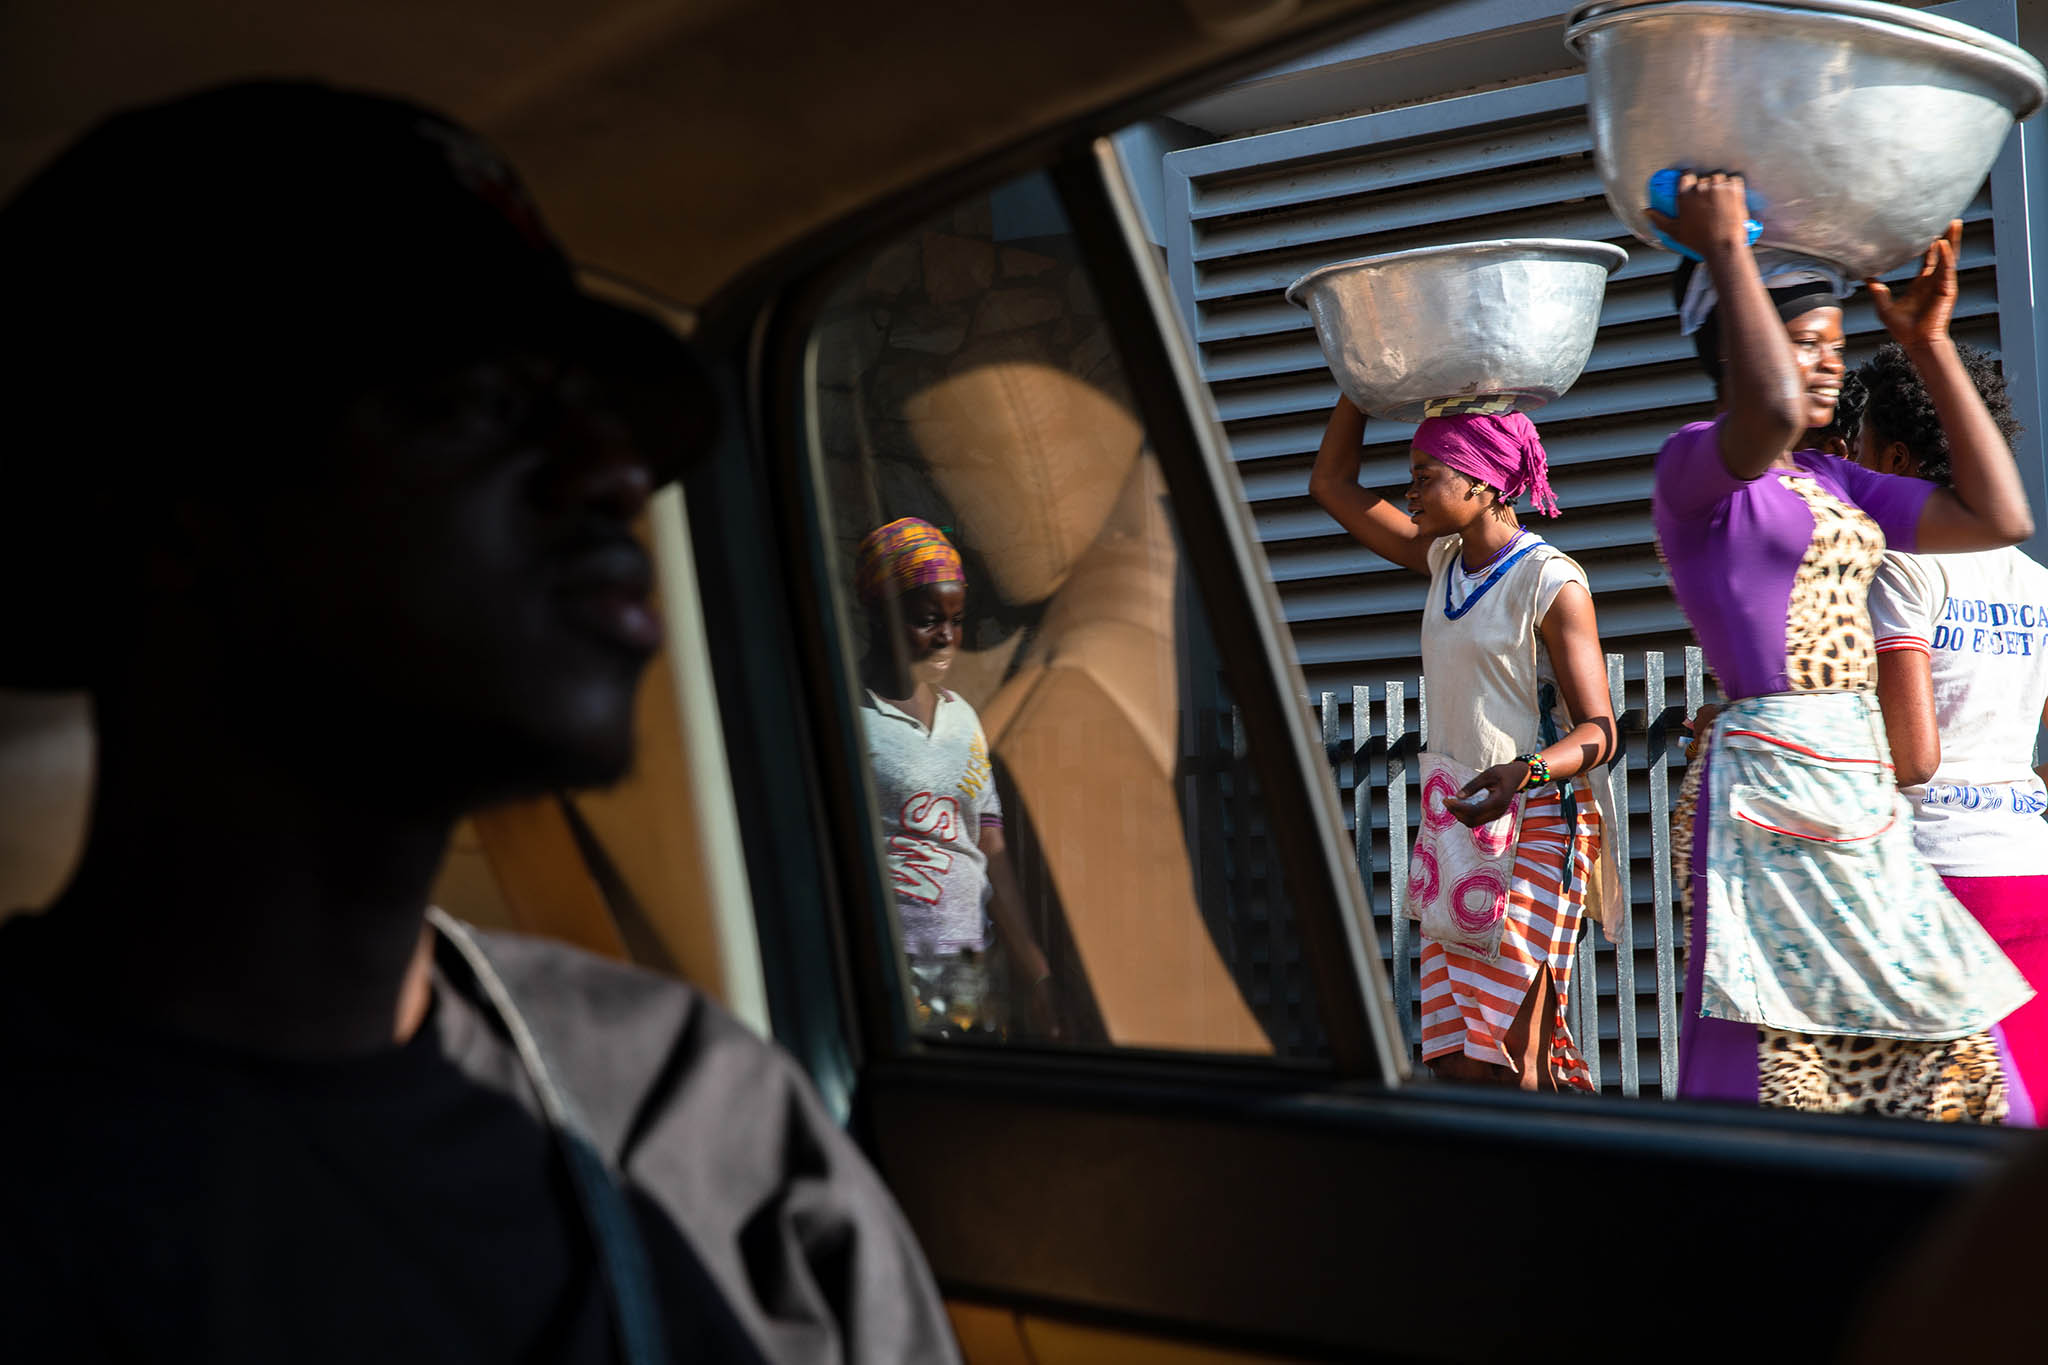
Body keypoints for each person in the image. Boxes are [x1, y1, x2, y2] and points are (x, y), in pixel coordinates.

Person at [0, 82, 959, 1362]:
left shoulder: (711, 1125)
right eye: (473, 404)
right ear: (171, 497)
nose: (617, 476)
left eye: (598, 416)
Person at [1650, 172, 2033, 1121]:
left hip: (1861, 789)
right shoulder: (1696, 469)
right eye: (1802, 343)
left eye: (1833, 344)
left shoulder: (1835, 478)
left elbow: (1999, 514)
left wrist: (1928, 344)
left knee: (1968, 1080)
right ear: (1739, 342)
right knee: (1780, 1072)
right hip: (1772, 796)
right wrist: (1727, 244)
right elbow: (1768, 410)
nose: (1828, 364)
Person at [1310, 397, 1622, 1091]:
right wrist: (1363, 383)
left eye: (1425, 473)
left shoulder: (1551, 581)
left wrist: (1525, 771)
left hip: (1536, 824)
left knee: (1516, 1058)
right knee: (1456, 1060)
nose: (1410, 490)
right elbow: (1332, 484)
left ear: (1482, 481)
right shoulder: (1442, 560)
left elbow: (1601, 732)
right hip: (1454, 824)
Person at [1859, 340, 2048, 1114]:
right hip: (2028, 871)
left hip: (1935, 878)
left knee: (1932, 1130)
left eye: (1862, 447)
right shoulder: (2032, 579)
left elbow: (1916, 758)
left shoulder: (1900, 564)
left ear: (1898, 459)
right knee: (2023, 1115)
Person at [854, 517, 1055, 1038]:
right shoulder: (849, 716)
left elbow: (991, 847)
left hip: (970, 973)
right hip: (891, 975)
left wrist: (1037, 974)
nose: (947, 637)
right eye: (926, 620)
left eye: (957, 619)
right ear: (879, 615)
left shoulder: (963, 718)